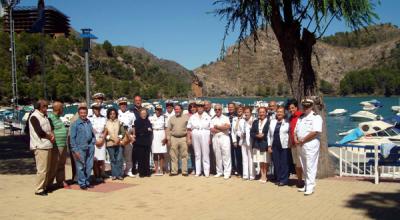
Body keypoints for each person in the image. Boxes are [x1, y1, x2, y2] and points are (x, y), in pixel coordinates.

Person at [294, 99, 323, 195]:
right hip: (301, 144)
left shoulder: (316, 117)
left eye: (307, 106)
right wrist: (296, 138)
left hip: (310, 144)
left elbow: (315, 132)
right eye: (304, 106)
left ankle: (311, 186)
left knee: (310, 165)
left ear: (311, 106)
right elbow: (296, 130)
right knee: (304, 165)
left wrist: (303, 140)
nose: (305, 108)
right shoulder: (301, 117)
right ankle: (306, 184)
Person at [29, 99, 55, 196]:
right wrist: (50, 137)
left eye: (47, 106)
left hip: (47, 145)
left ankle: (45, 186)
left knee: (47, 169)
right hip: (40, 146)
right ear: (39, 106)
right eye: (44, 106)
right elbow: (39, 132)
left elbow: (50, 127)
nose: (46, 108)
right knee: (42, 169)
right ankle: (39, 189)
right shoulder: (34, 117)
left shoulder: (45, 116)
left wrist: (52, 135)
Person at [70, 105, 96, 190]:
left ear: (87, 113)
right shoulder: (75, 124)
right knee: (81, 166)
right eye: (81, 113)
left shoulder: (88, 122)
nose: (83, 114)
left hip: (90, 147)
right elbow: (72, 138)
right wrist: (75, 150)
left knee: (89, 166)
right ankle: (82, 183)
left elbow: (92, 133)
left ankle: (87, 181)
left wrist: (93, 142)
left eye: (84, 113)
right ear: (78, 113)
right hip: (80, 148)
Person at [187, 101, 211, 177]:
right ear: (197, 107)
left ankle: (206, 171)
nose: (200, 108)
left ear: (203, 107)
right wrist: (189, 138)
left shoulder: (208, 116)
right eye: (198, 106)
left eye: (201, 106)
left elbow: (211, 128)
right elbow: (189, 129)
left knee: (205, 153)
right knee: (197, 154)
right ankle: (198, 171)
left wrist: (210, 138)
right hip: (195, 134)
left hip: (205, 133)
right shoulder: (192, 117)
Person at [48, 101, 68, 189]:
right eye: (62, 107)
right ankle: (49, 183)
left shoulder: (59, 117)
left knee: (62, 164)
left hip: (63, 144)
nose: (63, 109)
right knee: (54, 164)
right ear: (58, 109)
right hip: (56, 145)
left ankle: (61, 181)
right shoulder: (50, 117)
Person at [268, 106, 290, 186]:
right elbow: (269, 135)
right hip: (274, 145)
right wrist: (269, 146)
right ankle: (278, 178)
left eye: (281, 112)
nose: (279, 113)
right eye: (278, 112)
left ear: (284, 114)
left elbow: (290, 134)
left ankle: (284, 180)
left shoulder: (287, 122)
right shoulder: (272, 122)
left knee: (284, 163)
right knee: (276, 163)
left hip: (284, 145)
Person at [167, 104, 190, 176]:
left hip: (183, 137)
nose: (176, 110)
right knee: (173, 155)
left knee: (184, 155)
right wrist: (168, 139)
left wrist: (188, 138)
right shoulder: (171, 118)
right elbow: (168, 129)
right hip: (174, 138)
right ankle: (174, 171)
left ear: (181, 110)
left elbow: (188, 129)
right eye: (175, 109)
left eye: (178, 109)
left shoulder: (186, 118)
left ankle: (184, 171)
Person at [210, 104, 232, 179]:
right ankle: (219, 171)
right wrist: (222, 128)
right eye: (216, 109)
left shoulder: (226, 118)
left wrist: (218, 127)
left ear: (221, 110)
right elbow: (212, 130)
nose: (217, 111)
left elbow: (228, 127)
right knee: (217, 156)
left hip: (224, 137)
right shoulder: (212, 119)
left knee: (226, 155)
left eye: (219, 109)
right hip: (215, 138)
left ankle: (227, 172)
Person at [250, 107, 271, 183]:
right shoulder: (255, 122)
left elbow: (270, 133)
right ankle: (262, 175)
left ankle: (265, 176)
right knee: (260, 160)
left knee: (265, 160)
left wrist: (264, 135)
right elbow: (251, 132)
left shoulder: (269, 122)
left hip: (265, 143)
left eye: (263, 112)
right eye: (260, 112)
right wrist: (256, 135)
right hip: (257, 144)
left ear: (266, 113)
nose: (261, 114)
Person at [117, 97, 136, 177]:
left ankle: (129, 170)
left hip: (129, 137)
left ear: (126, 105)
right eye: (121, 104)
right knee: (120, 156)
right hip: (120, 137)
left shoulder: (131, 114)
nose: (123, 105)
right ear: (119, 105)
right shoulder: (116, 114)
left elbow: (133, 126)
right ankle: (120, 171)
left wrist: (134, 135)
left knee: (129, 156)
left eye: (124, 104)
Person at [286, 98, 303, 187]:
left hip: (300, 144)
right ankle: (299, 181)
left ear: (296, 107)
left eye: (292, 108)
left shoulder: (301, 116)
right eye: (289, 108)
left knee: (302, 163)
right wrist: (290, 142)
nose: (291, 110)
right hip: (293, 144)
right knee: (296, 163)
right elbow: (290, 131)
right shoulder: (290, 118)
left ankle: (306, 181)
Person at [104, 108, 125, 180]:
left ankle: (119, 174)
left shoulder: (119, 122)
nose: (112, 115)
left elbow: (123, 132)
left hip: (119, 143)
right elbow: (105, 134)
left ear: (116, 114)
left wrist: (118, 139)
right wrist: (112, 139)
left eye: (114, 114)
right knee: (113, 159)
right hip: (110, 143)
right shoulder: (106, 123)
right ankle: (114, 174)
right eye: (110, 114)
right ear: (108, 115)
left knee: (119, 159)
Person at [89, 104, 107, 183]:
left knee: (101, 159)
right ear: (93, 109)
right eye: (96, 109)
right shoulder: (89, 118)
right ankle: (96, 176)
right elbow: (90, 129)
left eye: (99, 109)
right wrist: (95, 141)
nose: (97, 110)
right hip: (94, 140)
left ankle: (100, 175)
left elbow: (106, 129)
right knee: (95, 160)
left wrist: (103, 138)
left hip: (102, 139)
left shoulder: (103, 118)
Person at [133, 108, 153, 177]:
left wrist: (146, 130)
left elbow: (150, 130)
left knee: (146, 157)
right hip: (140, 142)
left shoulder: (148, 121)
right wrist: (146, 130)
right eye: (142, 113)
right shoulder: (137, 121)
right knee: (140, 158)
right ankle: (141, 172)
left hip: (147, 141)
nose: (144, 115)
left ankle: (147, 172)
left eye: (145, 113)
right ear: (140, 114)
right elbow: (138, 131)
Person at [237, 107, 255, 180]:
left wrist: (250, 126)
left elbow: (255, 130)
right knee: (244, 158)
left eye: (248, 112)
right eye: (245, 112)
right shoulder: (241, 121)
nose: (246, 114)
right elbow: (237, 131)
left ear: (251, 113)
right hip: (243, 141)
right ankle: (245, 175)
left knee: (251, 158)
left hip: (250, 141)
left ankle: (252, 175)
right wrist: (241, 134)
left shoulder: (254, 120)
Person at [149, 105, 167, 175]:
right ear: (155, 110)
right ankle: (156, 169)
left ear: (161, 110)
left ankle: (161, 169)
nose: (158, 111)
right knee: (155, 152)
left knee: (161, 153)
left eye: (159, 110)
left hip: (162, 133)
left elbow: (166, 128)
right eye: (157, 110)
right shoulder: (151, 118)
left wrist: (165, 137)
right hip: (154, 134)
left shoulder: (164, 118)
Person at [227, 103, 242, 177]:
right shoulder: (226, 116)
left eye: (232, 107)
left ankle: (239, 169)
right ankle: (233, 168)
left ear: (234, 108)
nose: (230, 109)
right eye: (229, 107)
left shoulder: (238, 115)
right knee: (230, 153)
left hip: (237, 136)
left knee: (238, 154)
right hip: (228, 136)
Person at [131, 95, 142, 175]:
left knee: (142, 152)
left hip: (143, 135)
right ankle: (133, 168)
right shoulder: (131, 111)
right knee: (134, 152)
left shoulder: (144, 110)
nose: (138, 102)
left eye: (139, 100)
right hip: (134, 134)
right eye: (136, 100)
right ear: (134, 102)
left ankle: (141, 168)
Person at [187, 101, 197, 174]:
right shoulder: (187, 116)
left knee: (200, 153)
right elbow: (187, 128)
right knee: (192, 153)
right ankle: (194, 168)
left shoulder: (200, 114)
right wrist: (188, 138)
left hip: (199, 136)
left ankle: (201, 168)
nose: (192, 108)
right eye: (191, 107)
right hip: (190, 136)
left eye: (194, 107)